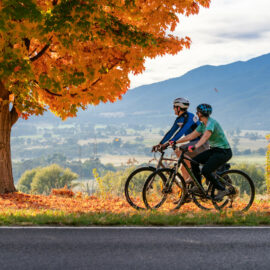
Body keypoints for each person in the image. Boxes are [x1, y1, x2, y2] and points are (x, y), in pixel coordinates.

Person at [174, 103, 233, 201]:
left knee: (206, 170)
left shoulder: (211, 123)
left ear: (201, 113)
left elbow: (205, 137)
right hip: (214, 150)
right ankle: (199, 187)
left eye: (197, 112)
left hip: (224, 152)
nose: (196, 113)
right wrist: (176, 141)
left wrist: (195, 146)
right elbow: (191, 136)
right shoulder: (202, 125)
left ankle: (222, 189)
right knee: (194, 161)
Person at [152, 98, 209, 181]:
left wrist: (169, 143)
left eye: (174, 107)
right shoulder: (179, 119)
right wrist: (160, 144)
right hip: (194, 143)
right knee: (183, 168)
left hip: (202, 143)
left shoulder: (190, 117)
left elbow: (181, 132)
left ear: (178, 108)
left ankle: (194, 174)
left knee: (180, 149)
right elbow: (171, 132)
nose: (173, 109)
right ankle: (188, 190)